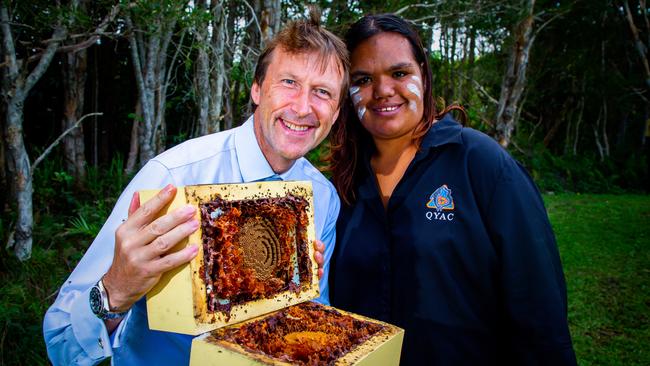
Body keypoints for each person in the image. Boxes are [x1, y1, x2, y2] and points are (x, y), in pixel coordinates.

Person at [44, 10, 349, 365]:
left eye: (322, 92)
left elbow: (310, 317)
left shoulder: (323, 197)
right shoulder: (173, 177)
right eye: (289, 83)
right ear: (256, 88)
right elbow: (61, 338)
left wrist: (300, 293)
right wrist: (115, 291)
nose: (302, 107)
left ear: (337, 111)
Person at [328, 14, 577, 365]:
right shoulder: (339, 184)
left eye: (399, 74)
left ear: (424, 77)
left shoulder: (481, 164)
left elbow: (539, 307)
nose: (383, 90)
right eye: (364, 79)